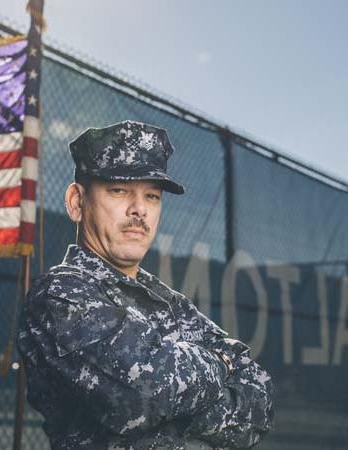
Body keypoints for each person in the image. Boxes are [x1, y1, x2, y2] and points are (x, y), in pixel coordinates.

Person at [17, 120, 274, 449]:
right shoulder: (60, 295)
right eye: (119, 190)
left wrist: (175, 391)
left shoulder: (167, 300)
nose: (139, 209)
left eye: (151, 196)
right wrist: (220, 363)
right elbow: (141, 396)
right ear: (77, 202)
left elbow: (259, 399)